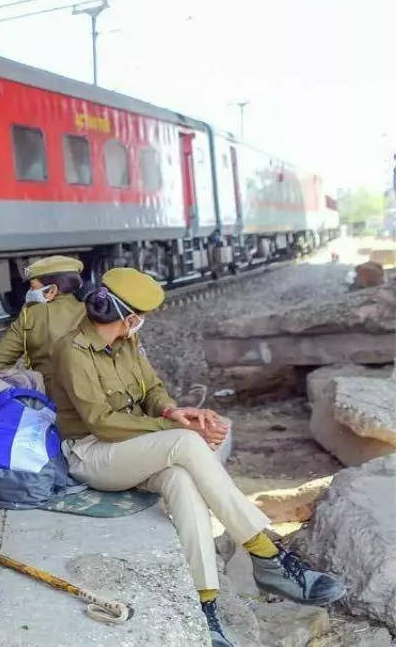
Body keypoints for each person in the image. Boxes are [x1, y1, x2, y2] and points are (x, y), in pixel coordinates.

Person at [49, 268, 346, 647]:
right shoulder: (71, 351)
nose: (140, 324)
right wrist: (177, 432)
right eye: (138, 316)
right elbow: (102, 423)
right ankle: (266, 554)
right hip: (92, 454)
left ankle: (206, 608)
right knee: (186, 446)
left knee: (183, 482)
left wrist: (175, 412)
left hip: (130, 449)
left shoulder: (127, 344)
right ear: (123, 314)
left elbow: (153, 390)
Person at [0, 255, 87, 389]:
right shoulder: (91, 311)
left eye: (33, 287)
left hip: (50, 401)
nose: (29, 292)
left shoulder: (30, 315)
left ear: (51, 291)